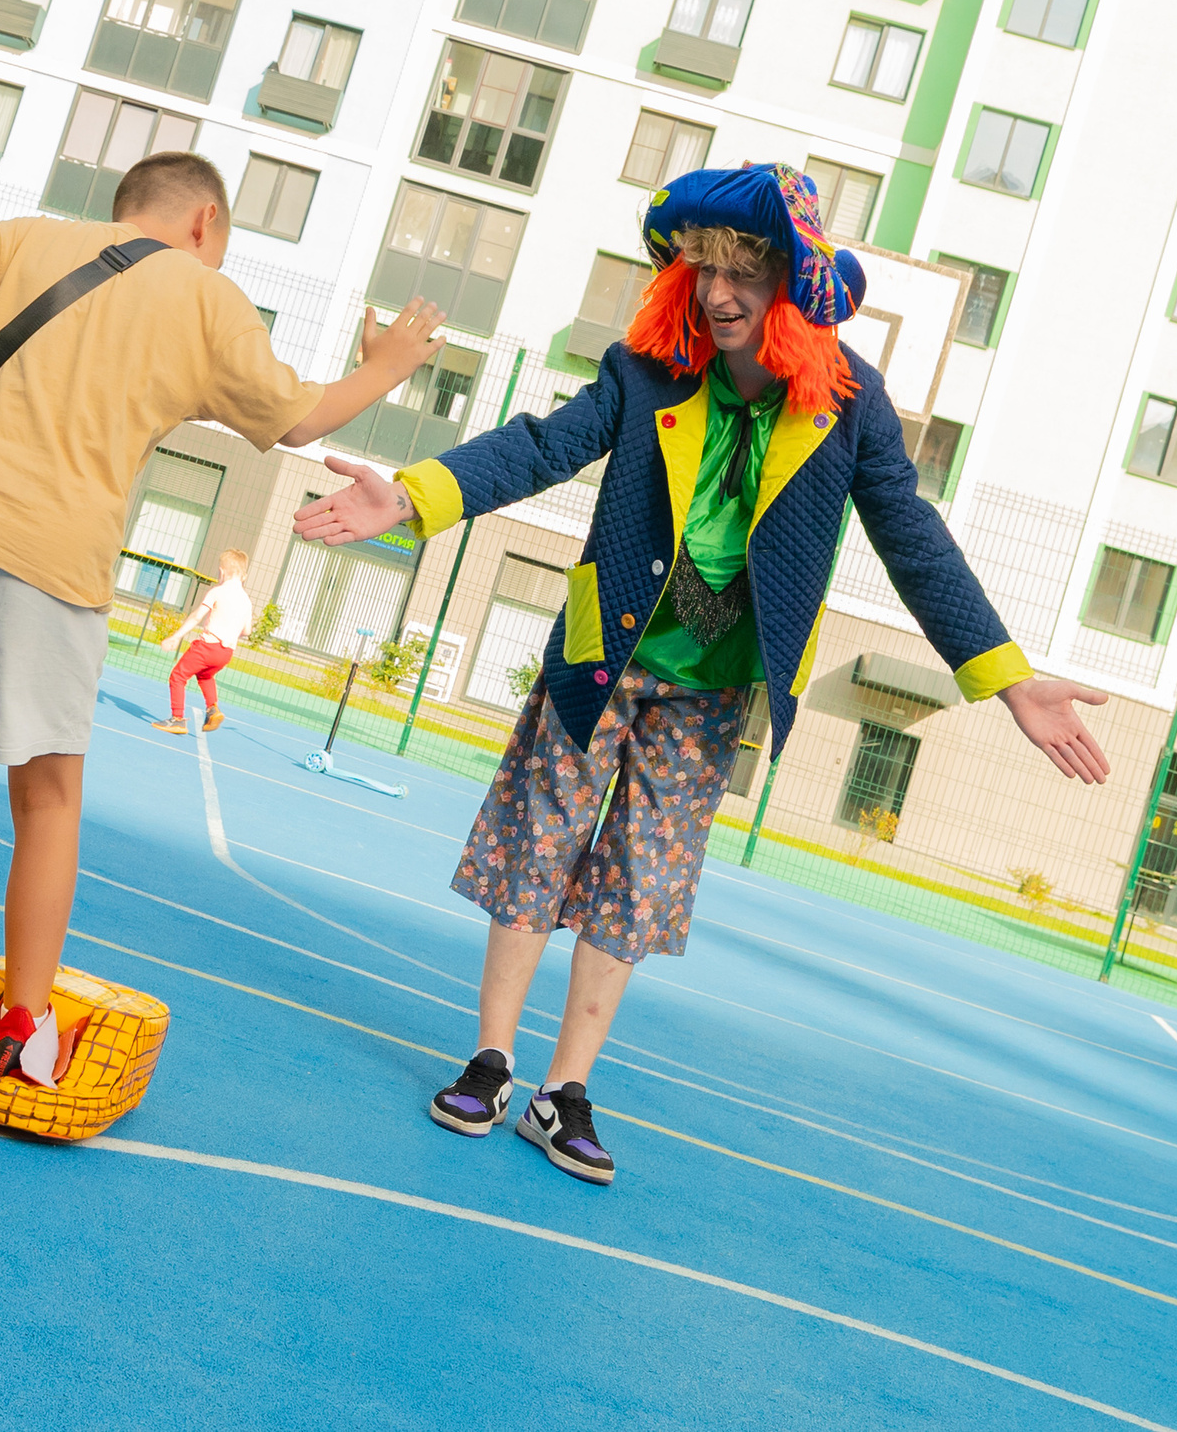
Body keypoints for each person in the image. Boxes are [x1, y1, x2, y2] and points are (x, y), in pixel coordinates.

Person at [294, 163, 1111, 1187]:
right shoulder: (649, 366)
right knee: (537, 848)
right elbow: (544, 446)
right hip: (606, 656)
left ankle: (566, 1091)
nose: (719, 293)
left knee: (640, 878)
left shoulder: (850, 400)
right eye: (702, 269)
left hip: (719, 683)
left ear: (793, 287)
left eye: (744, 274)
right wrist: (416, 495)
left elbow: (910, 534)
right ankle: (492, 1061)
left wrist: (1005, 677)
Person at [0, 151, 446, 1084]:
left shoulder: (34, 240)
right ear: (205, 223)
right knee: (47, 800)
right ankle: (21, 1027)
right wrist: (386, 364)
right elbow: (299, 422)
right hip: (59, 561)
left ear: (125, 205)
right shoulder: (208, 299)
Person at [152, 548, 251, 735]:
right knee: (205, 676)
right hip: (226, 652)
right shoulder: (246, 600)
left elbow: (197, 616)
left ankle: (177, 719)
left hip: (207, 646)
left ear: (222, 572)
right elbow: (247, 631)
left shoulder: (217, 592)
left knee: (178, 676)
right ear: (244, 576)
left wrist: (176, 636)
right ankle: (213, 709)